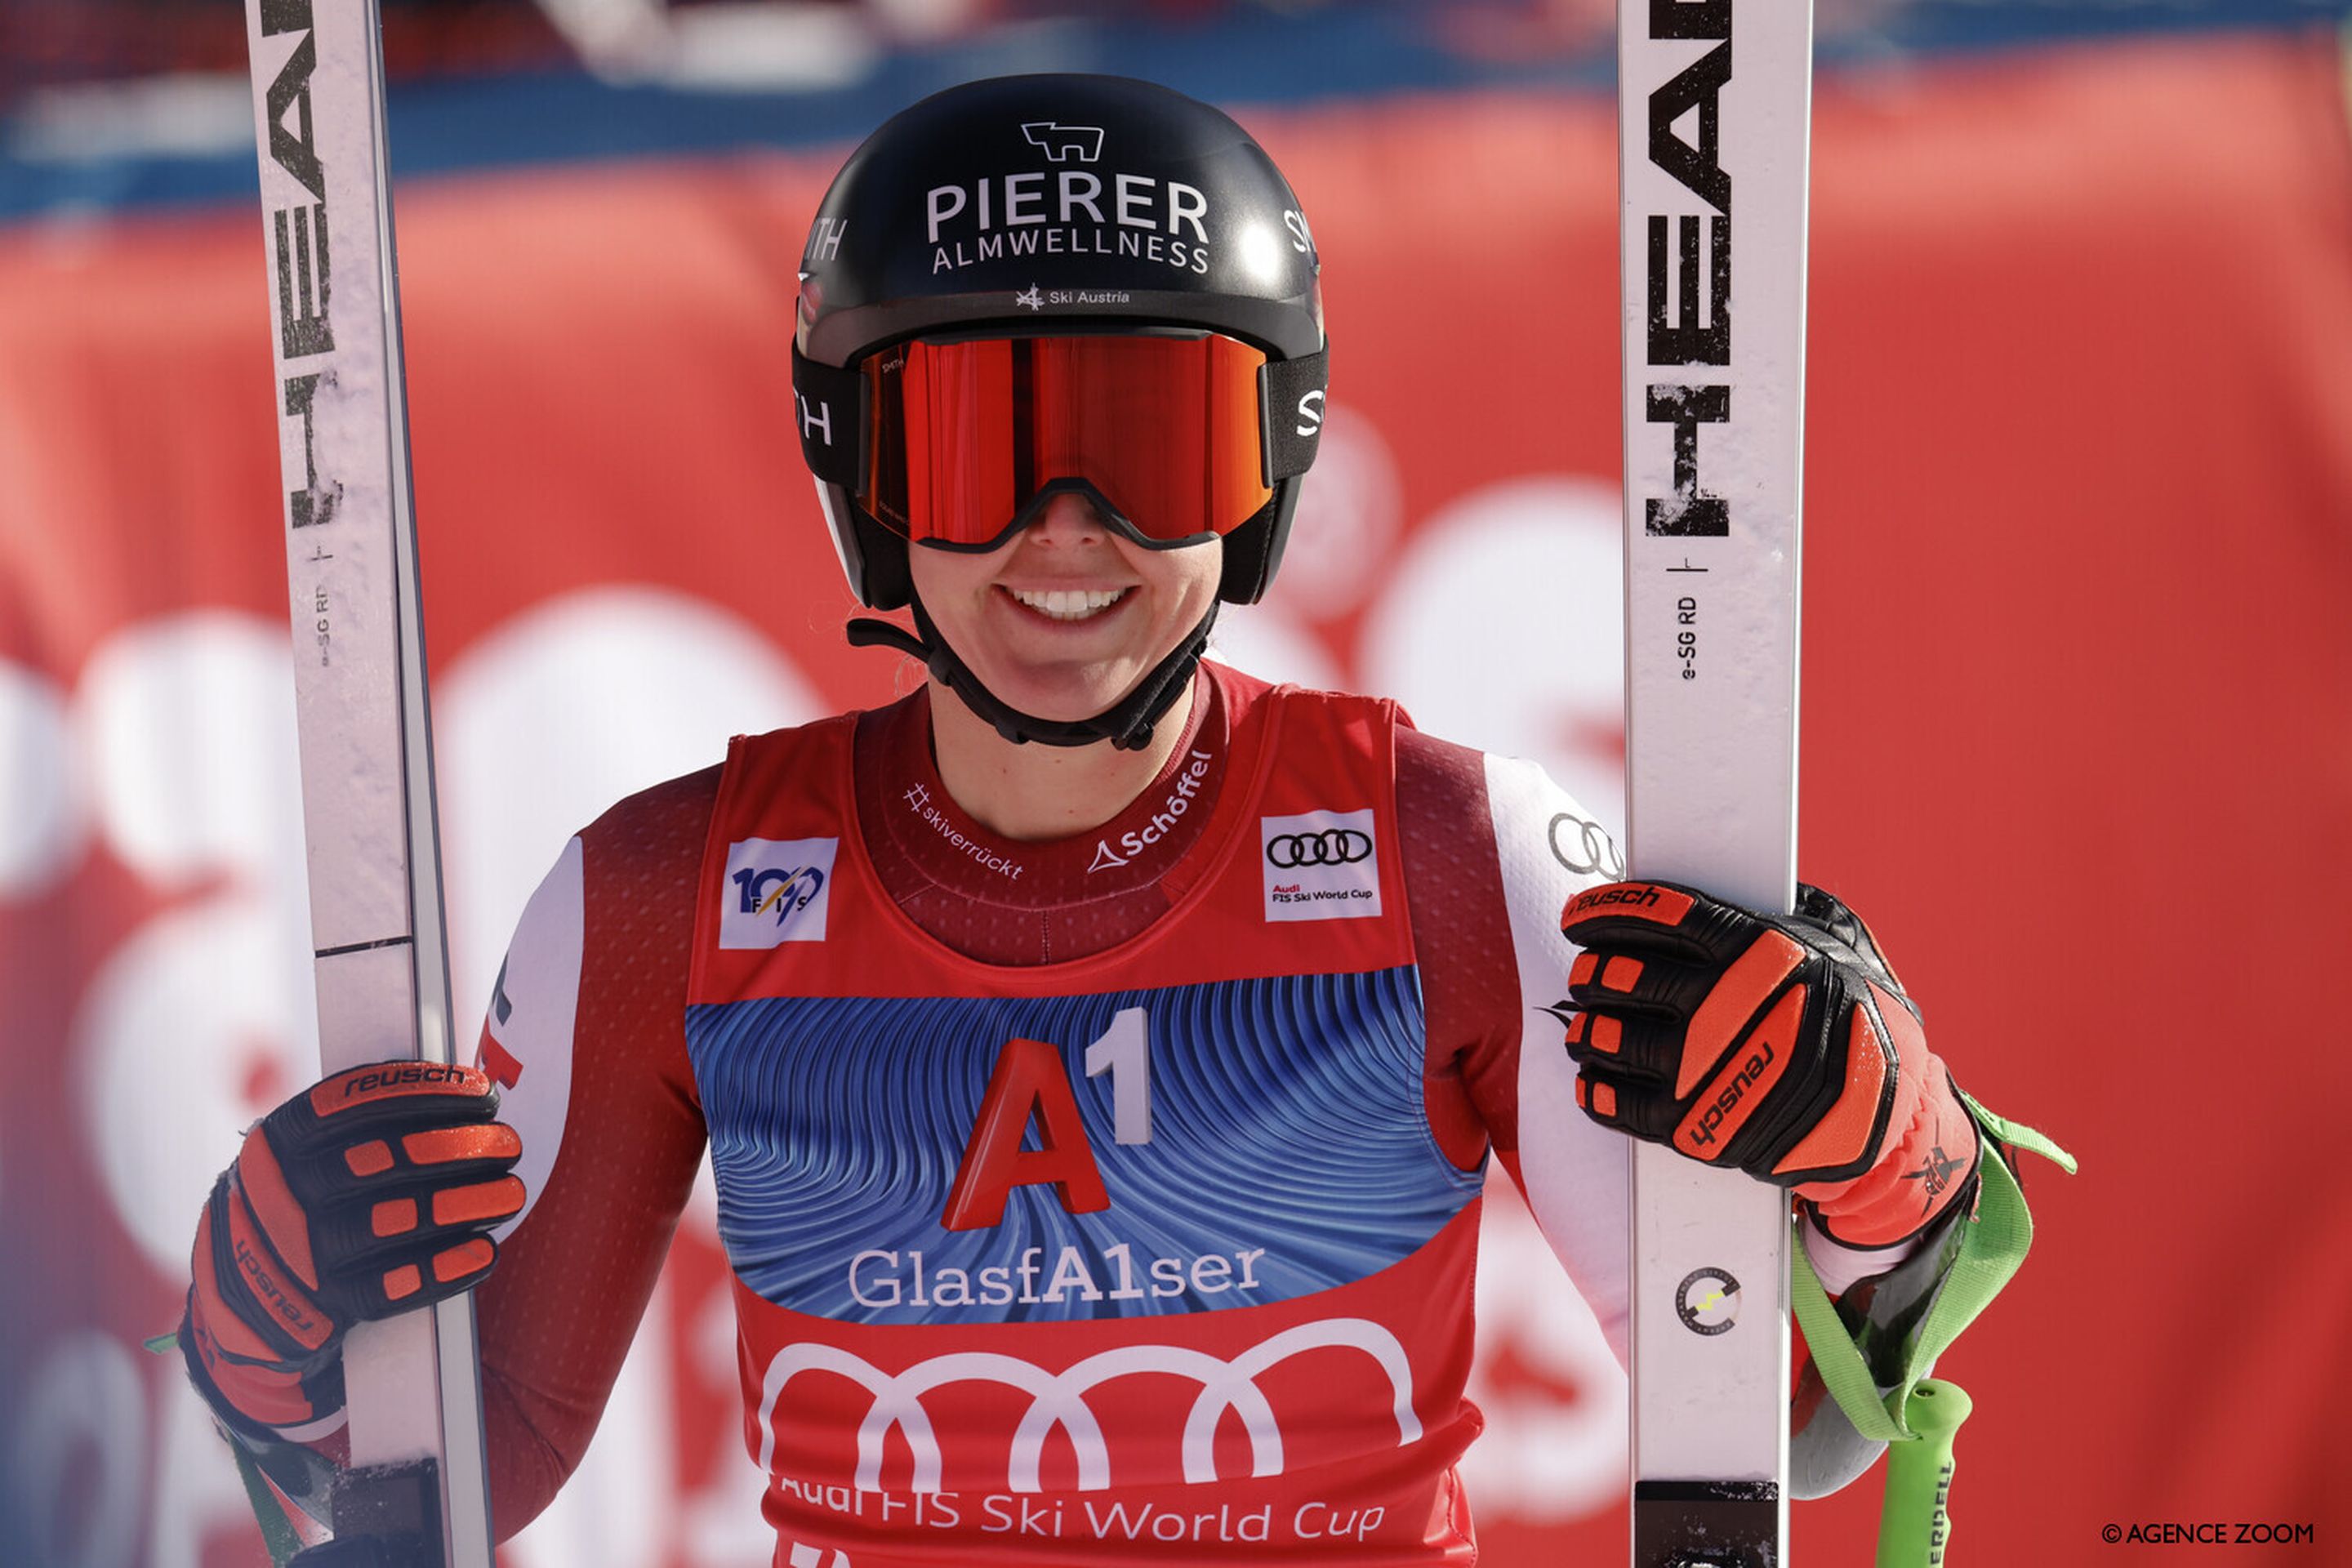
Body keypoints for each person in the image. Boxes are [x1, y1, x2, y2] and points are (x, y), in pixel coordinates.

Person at [178, 74, 2030, 1566]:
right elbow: (439, 1488)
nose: (1065, 535)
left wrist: (1885, 1155)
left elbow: (1773, 1417)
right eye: (978, 448)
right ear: (861, 482)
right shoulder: (665, 901)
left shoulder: (1446, 858)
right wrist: (269, 1354)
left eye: (1155, 445)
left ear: (1270, 476)